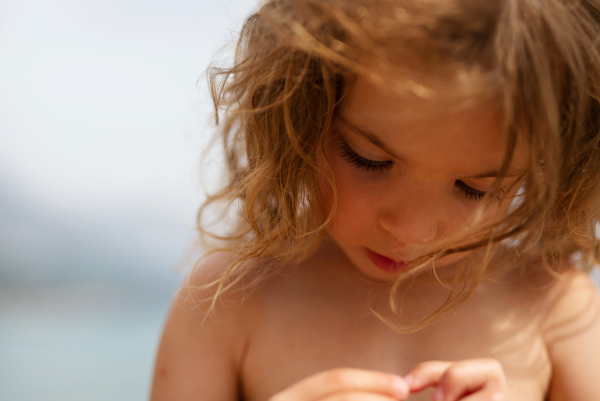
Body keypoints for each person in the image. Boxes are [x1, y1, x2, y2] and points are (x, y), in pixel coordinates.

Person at [150, 0, 600, 399]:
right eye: (368, 160)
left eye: (475, 189)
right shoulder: (227, 301)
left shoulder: (556, 309)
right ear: (301, 113)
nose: (412, 231)